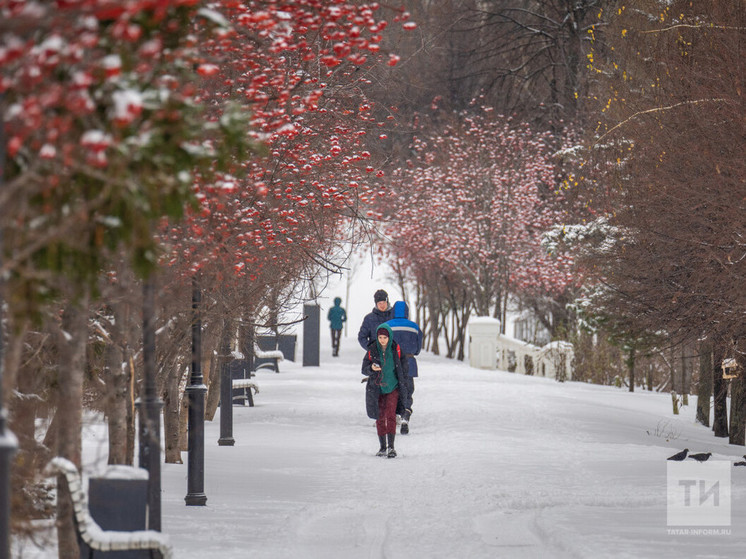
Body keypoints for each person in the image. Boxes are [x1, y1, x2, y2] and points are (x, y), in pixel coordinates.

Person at [361, 324, 409, 458]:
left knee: (391, 415)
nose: (382, 340)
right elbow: (364, 368)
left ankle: (392, 447)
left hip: (393, 387)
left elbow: (404, 367)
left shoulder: (396, 349)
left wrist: (403, 382)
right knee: (380, 417)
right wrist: (371, 368)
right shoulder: (371, 350)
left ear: (389, 337)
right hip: (377, 389)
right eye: (380, 337)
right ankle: (382, 447)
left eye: (385, 337)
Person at [385, 301, 422, 434]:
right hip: (409, 362)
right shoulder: (414, 327)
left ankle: (394, 415)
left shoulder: (386, 326)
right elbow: (418, 349)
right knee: (407, 390)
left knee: (393, 390)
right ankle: (406, 413)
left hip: (392, 363)